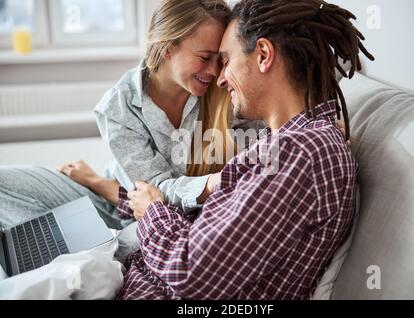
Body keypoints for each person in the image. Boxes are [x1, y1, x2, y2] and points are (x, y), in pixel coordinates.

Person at [113, 0, 375, 300]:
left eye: (225, 60)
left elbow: (190, 272)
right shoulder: (289, 142)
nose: (220, 78)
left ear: (263, 55)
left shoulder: (301, 153)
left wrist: (152, 212)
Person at [0, 0, 249, 232]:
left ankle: (104, 190)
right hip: (119, 205)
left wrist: (104, 185)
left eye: (222, 59)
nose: (216, 71)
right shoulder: (118, 106)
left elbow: (155, 200)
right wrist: (214, 183)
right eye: (205, 57)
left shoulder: (227, 88)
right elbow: (156, 191)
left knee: (118, 242)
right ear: (167, 48)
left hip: (150, 219)